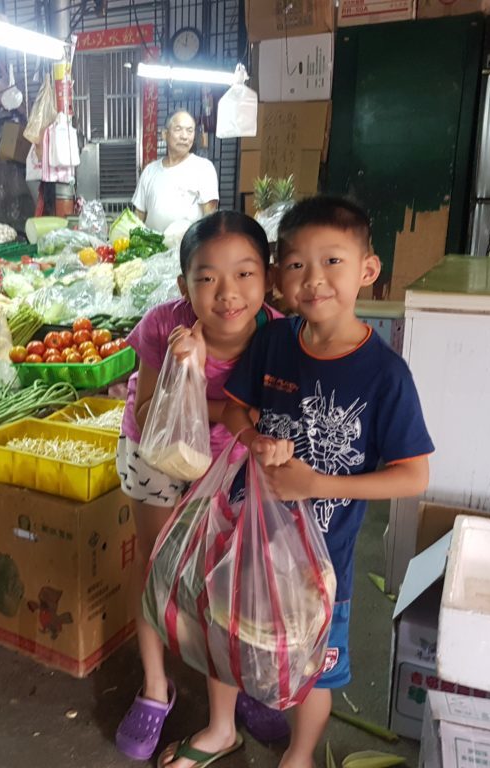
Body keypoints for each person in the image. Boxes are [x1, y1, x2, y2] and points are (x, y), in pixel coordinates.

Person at [151, 196, 434, 768]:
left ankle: (299, 754)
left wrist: (317, 484)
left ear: (368, 271)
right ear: (280, 276)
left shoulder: (386, 375)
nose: (315, 279)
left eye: (333, 261)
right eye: (298, 264)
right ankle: (221, 728)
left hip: (324, 564)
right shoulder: (276, 342)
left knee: (315, 665)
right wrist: (254, 440)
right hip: (247, 537)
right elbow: (234, 412)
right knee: (229, 634)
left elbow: (413, 477)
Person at [114, 211, 284, 762]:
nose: (227, 293)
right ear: (185, 282)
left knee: (226, 585)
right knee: (158, 570)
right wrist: (187, 372)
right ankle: (156, 687)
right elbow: (145, 407)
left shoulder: (280, 335)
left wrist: (232, 418)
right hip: (158, 458)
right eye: (207, 277)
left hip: (230, 471)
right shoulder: (166, 327)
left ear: (268, 276)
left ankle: (231, 694)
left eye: (244, 273)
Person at [132, 111, 219, 234]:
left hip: (187, 250)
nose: (184, 136)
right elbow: (138, 217)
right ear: (164, 134)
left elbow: (210, 220)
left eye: (190, 130)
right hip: (152, 250)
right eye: (178, 129)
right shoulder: (149, 171)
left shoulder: (204, 168)